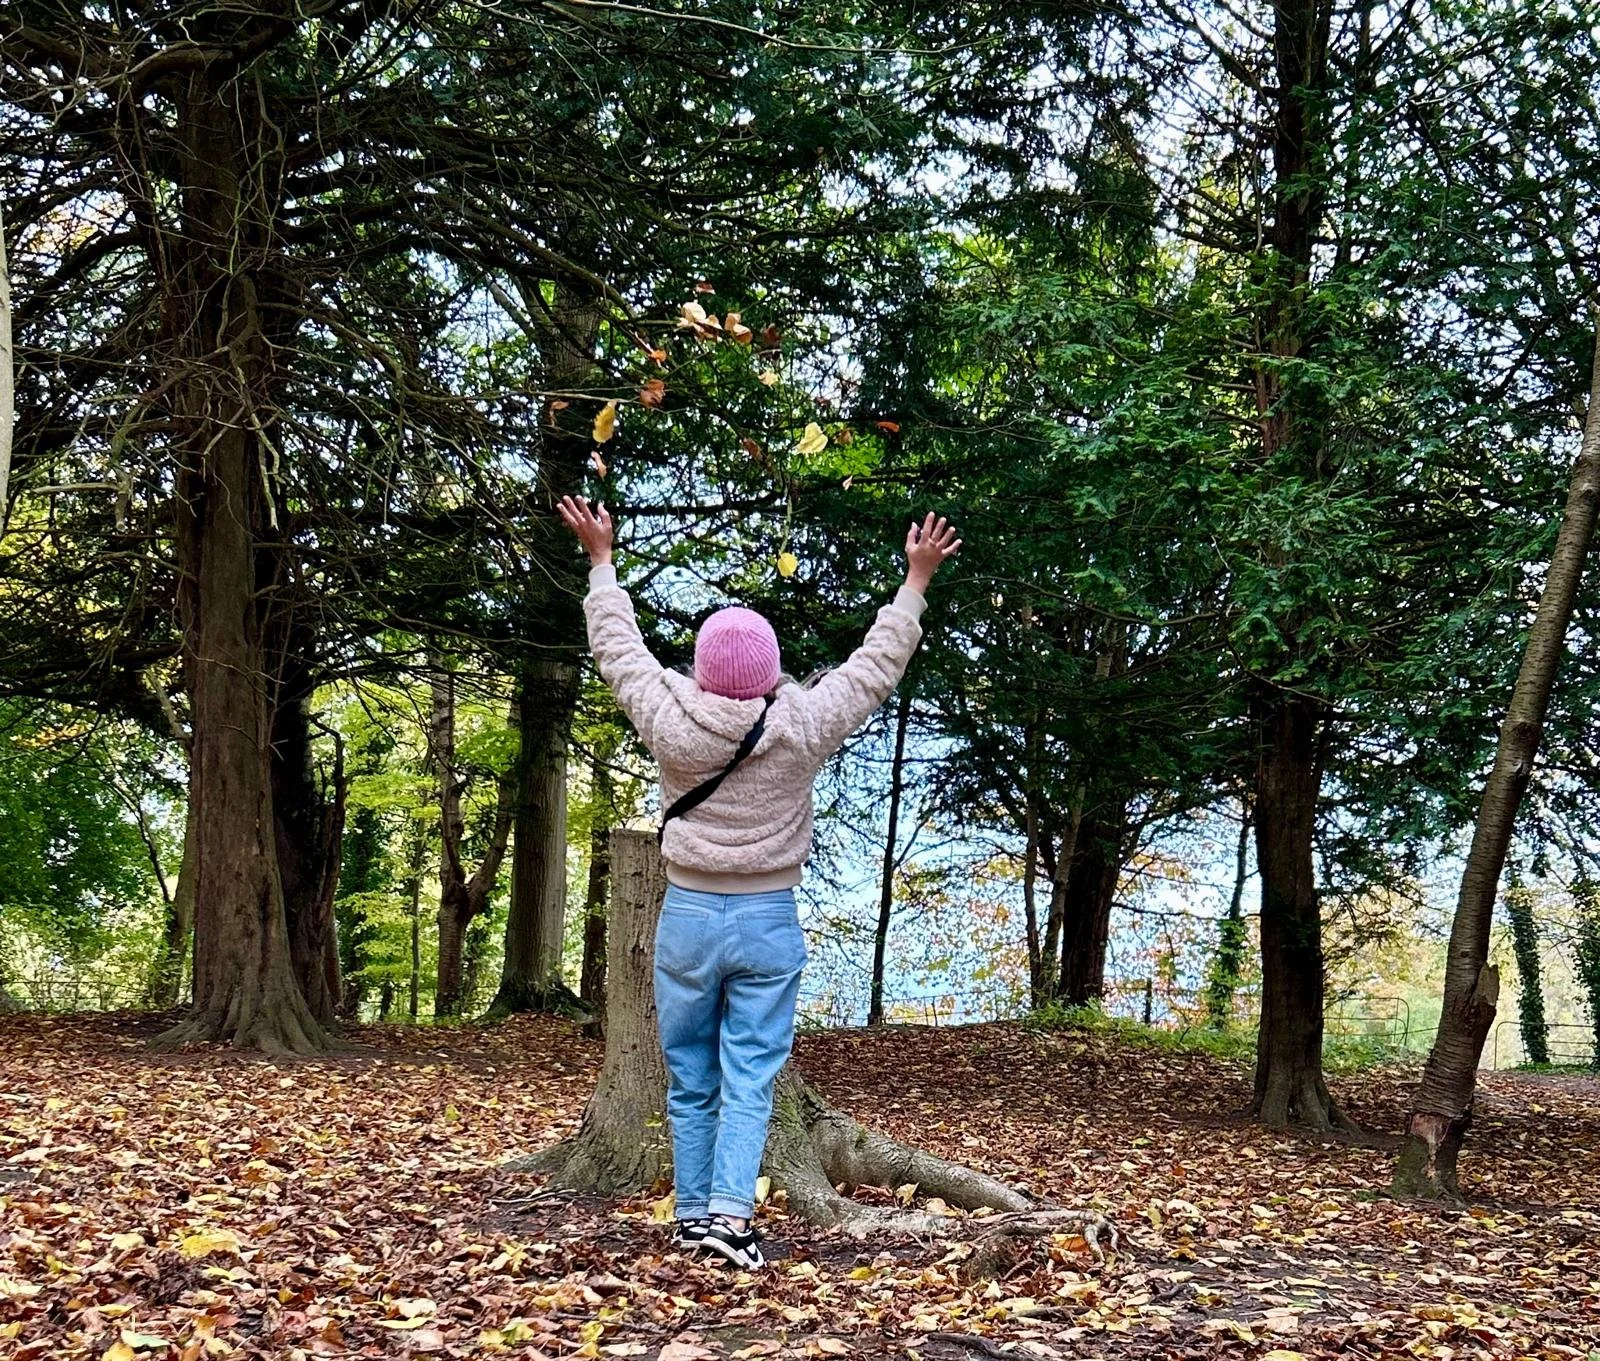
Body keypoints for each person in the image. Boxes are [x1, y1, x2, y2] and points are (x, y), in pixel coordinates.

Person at [558, 495, 960, 1268]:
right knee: (750, 1076)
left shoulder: (670, 719)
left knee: (693, 1074)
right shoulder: (802, 722)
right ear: (771, 672)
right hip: (768, 918)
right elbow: (873, 670)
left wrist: (602, 562)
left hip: (687, 919)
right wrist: (915, 580)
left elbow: (620, 650)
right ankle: (729, 1220)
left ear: (703, 670)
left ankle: (693, 1217)